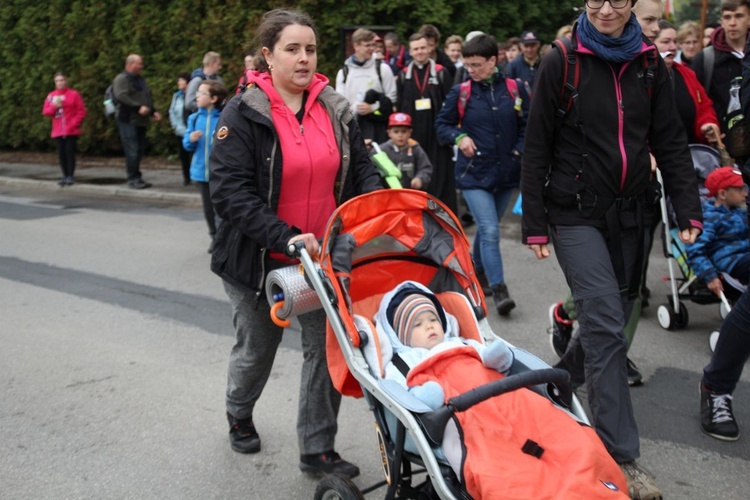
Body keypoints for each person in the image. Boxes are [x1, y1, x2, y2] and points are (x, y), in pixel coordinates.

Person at [521, 0, 703, 498]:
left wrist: (688, 206)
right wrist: (534, 222)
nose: (606, 9)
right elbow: (536, 143)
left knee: (616, 315)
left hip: (632, 212)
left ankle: (557, 382)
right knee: (604, 322)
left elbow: (669, 141)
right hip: (573, 211)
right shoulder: (563, 59)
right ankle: (619, 459)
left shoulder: (650, 64)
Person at [208, 9, 381, 478]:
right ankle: (238, 411)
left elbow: (360, 170)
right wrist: (283, 235)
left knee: (327, 350)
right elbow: (229, 191)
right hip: (259, 259)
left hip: (323, 256)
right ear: (268, 55)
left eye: (310, 49)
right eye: (292, 49)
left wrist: (382, 205)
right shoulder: (243, 112)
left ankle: (317, 449)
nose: (304, 59)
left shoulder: (335, 108)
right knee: (256, 350)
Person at [375, 281, 628, 500]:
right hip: (467, 417)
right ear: (402, 337)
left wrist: (498, 358)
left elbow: (500, 363)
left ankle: (600, 489)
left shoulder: (465, 343)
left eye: (432, 319)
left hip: (511, 399)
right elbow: (403, 399)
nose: (429, 326)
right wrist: (426, 396)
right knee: (507, 470)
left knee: (567, 437)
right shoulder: (407, 363)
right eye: (418, 324)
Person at [436, 34, 528, 316]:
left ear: (493, 60)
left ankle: (476, 271)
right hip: (473, 173)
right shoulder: (461, 91)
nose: (470, 70)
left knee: (487, 232)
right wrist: (459, 136)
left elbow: (529, 126)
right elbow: (442, 125)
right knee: (488, 230)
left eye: (476, 64)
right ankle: (499, 290)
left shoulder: (516, 88)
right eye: (467, 64)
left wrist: (517, 151)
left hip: (506, 174)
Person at [687, 167, 749, 442]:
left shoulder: (741, 212)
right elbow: (696, 249)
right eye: (740, 188)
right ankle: (716, 388)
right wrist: (709, 275)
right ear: (723, 193)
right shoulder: (710, 217)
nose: (746, 192)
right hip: (730, 265)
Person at [397, 32, 456, 214]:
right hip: (413, 135)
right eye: (416, 49)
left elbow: (450, 104)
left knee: (440, 174)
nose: (420, 52)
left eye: (423, 48)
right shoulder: (403, 75)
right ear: (410, 52)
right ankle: (416, 214)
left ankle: (443, 215)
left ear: (429, 48)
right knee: (414, 174)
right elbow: (399, 105)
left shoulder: (441, 72)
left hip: (436, 135)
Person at [692, 0, 750, 144]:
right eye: (727, 17)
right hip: (721, 143)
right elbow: (696, 101)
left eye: (739, 16)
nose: (732, 22)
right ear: (721, 21)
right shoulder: (706, 59)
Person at [183, 80, 228, 253]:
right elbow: (187, 144)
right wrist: (190, 139)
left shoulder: (225, 117)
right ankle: (214, 237)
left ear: (214, 98)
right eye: (197, 93)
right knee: (208, 210)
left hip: (220, 174)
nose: (197, 96)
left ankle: (222, 239)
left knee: (221, 210)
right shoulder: (194, 118)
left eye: (201, 93)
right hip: (201, 173)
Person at [335, 28, 397, 145]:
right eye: (367, 45)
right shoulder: (344, 72)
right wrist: (355, 108)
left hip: (378, 129)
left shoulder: (383, 68)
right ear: (356, 46)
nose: (371, 49)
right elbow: (339, 103)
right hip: (353, 128)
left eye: (373, 45)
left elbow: (392, 100)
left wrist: (373, 107)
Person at [112, 54, 161, 189]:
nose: (141, 66)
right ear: (130, 64)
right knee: (132, 149)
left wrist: (152, 111)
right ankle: (132, 178)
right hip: (128, 119)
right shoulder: (122, 79)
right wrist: (138, 107)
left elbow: (146, 96)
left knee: (139, 150)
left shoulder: (139, 79)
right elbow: (121, 96)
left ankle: (137, 176)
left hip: (140, 121)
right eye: (139, 63)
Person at [42, 72, 86, 186]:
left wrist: (74, 123)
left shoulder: (73, 94)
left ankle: (70, 175)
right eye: (57, 81)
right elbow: (46, 111)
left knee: (69, 152)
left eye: (61, 80)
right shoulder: (51, 96)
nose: (59, 83)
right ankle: (64, 175)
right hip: (58, 130)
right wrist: (55, 106)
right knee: (61, 153)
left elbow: (81, 111)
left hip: (71, 130)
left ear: (65, 81)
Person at [375, 112, 432, 190]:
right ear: (389, 133)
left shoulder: (415, 148)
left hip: (411, 193)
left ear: (410, 132)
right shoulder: (380, 151)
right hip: (388, 193)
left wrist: (420, 179)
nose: (400, 135)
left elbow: (425, 167)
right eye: (396, 131)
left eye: (404, 131)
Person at [184, 51, 224, 119]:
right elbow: (189, 103)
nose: (220, 67)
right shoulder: (197, 81)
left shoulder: (219, 80)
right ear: (211, 64)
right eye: (218, 64)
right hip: (201, 119)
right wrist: (206, 106)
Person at [169, 72, 192, 186]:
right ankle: (186, 177)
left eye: (181, 80)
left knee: (194, 155)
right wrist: (175, 126)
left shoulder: (192, 95)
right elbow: (171, 111)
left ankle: (196, 177)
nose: (178, 83)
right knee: (183, 156)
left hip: (191, 130)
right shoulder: (176, 96)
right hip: (180, 130)